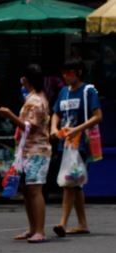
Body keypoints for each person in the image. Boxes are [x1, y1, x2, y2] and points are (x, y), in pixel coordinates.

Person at [0, 64, 52, 243]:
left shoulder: (36, 100)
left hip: (37, 150)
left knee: (35, 189)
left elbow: (31, 126)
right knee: (28, 190)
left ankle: (40, 230)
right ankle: (32, 228)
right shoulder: (34, 98)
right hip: (27, 151)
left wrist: (10, 115)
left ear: (26, 80)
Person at [50, 59, 102, 237]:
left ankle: (62, 223)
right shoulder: (63, 92)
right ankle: (82, 223)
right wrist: (54, 129)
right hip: (64, 144)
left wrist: (76, 129)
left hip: (81, 143)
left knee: (69, 183)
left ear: (79, 72)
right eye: (63, 72)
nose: (65, 76)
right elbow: (55, 113)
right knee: (76, 185)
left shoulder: (89, 90)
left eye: (69, 72)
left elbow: (97, 116)